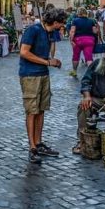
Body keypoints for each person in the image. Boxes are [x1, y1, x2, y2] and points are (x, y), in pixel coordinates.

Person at [19, 9, 66, 164]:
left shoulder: (49, 33)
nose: (63, 25)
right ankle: (32, 147)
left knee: (41, 109)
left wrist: (52, 61)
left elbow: (46, 52)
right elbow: (24, 52)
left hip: (43, 73)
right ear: (56, 22)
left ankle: (38, 143)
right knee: (32, 110)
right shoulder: (33, 30)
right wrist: (47, 62)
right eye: (62, 22)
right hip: (30, 75)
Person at [68, 7, 100, 77]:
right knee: (89, 57)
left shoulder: (75, 20)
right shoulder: (91, 21)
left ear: (78, 13)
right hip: (89, 40)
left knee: (76, 56)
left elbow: (72, 31)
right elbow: (95, 31)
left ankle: (74, 71)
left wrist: (71, 40)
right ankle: (91, 73)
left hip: (78, 40)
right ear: (86, 13)